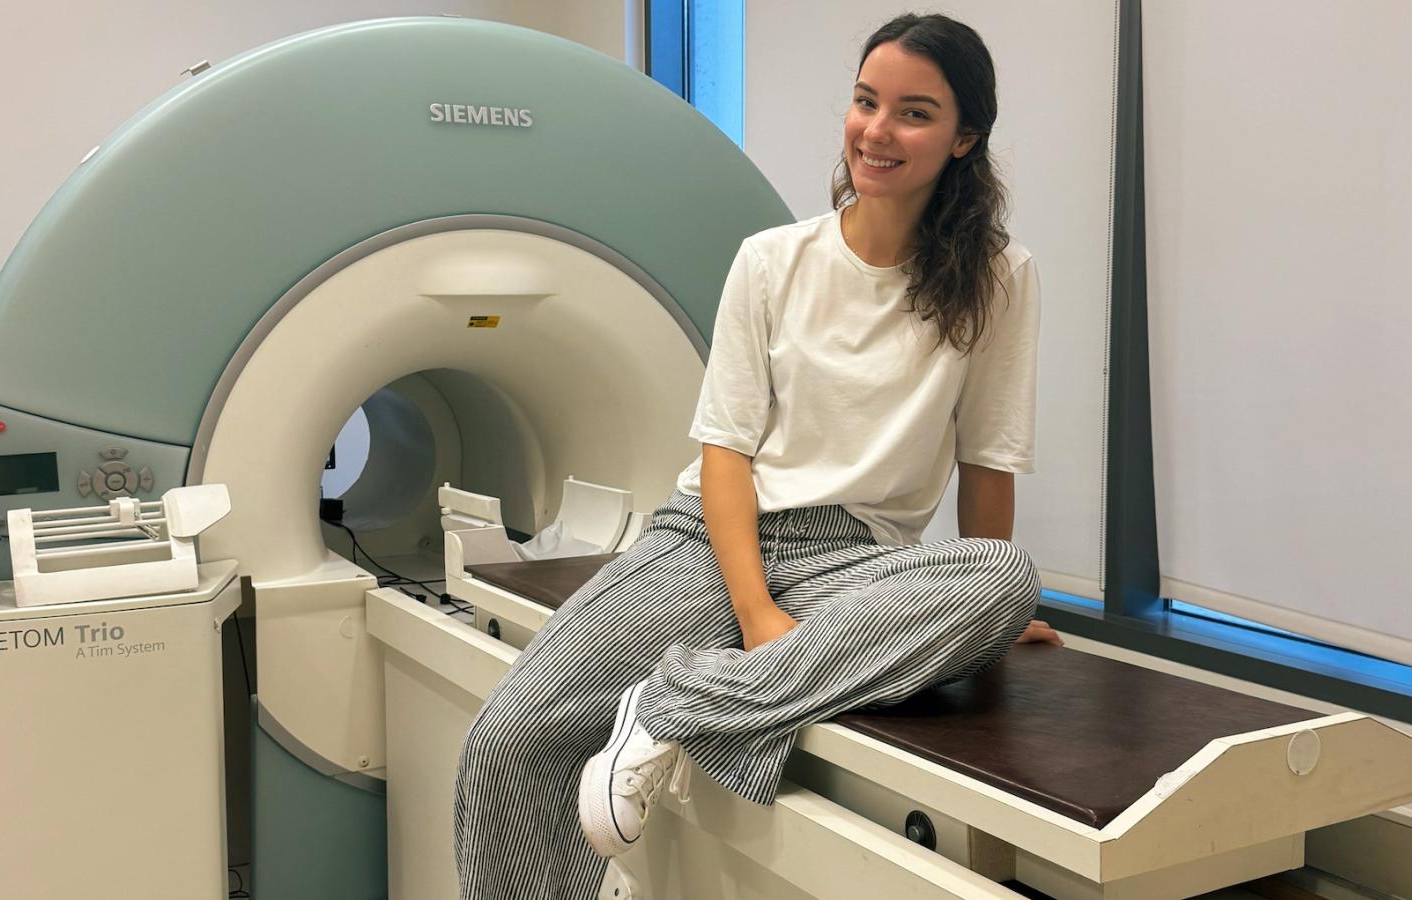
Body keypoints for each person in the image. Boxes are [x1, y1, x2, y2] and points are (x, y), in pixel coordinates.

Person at [454, 12, 1060, 898]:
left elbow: (988, 461)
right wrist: (756, 612)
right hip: (712, 539)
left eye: (914, 113)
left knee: (1006, 576)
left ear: (964, 138)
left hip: (859, 559)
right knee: (508, 738)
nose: (877, 131)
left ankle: (671, 707)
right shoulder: (773, 261)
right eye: (866, 102)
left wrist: (988, 621)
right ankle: (679, 728)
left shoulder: (1001, 279)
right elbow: (727, 453)